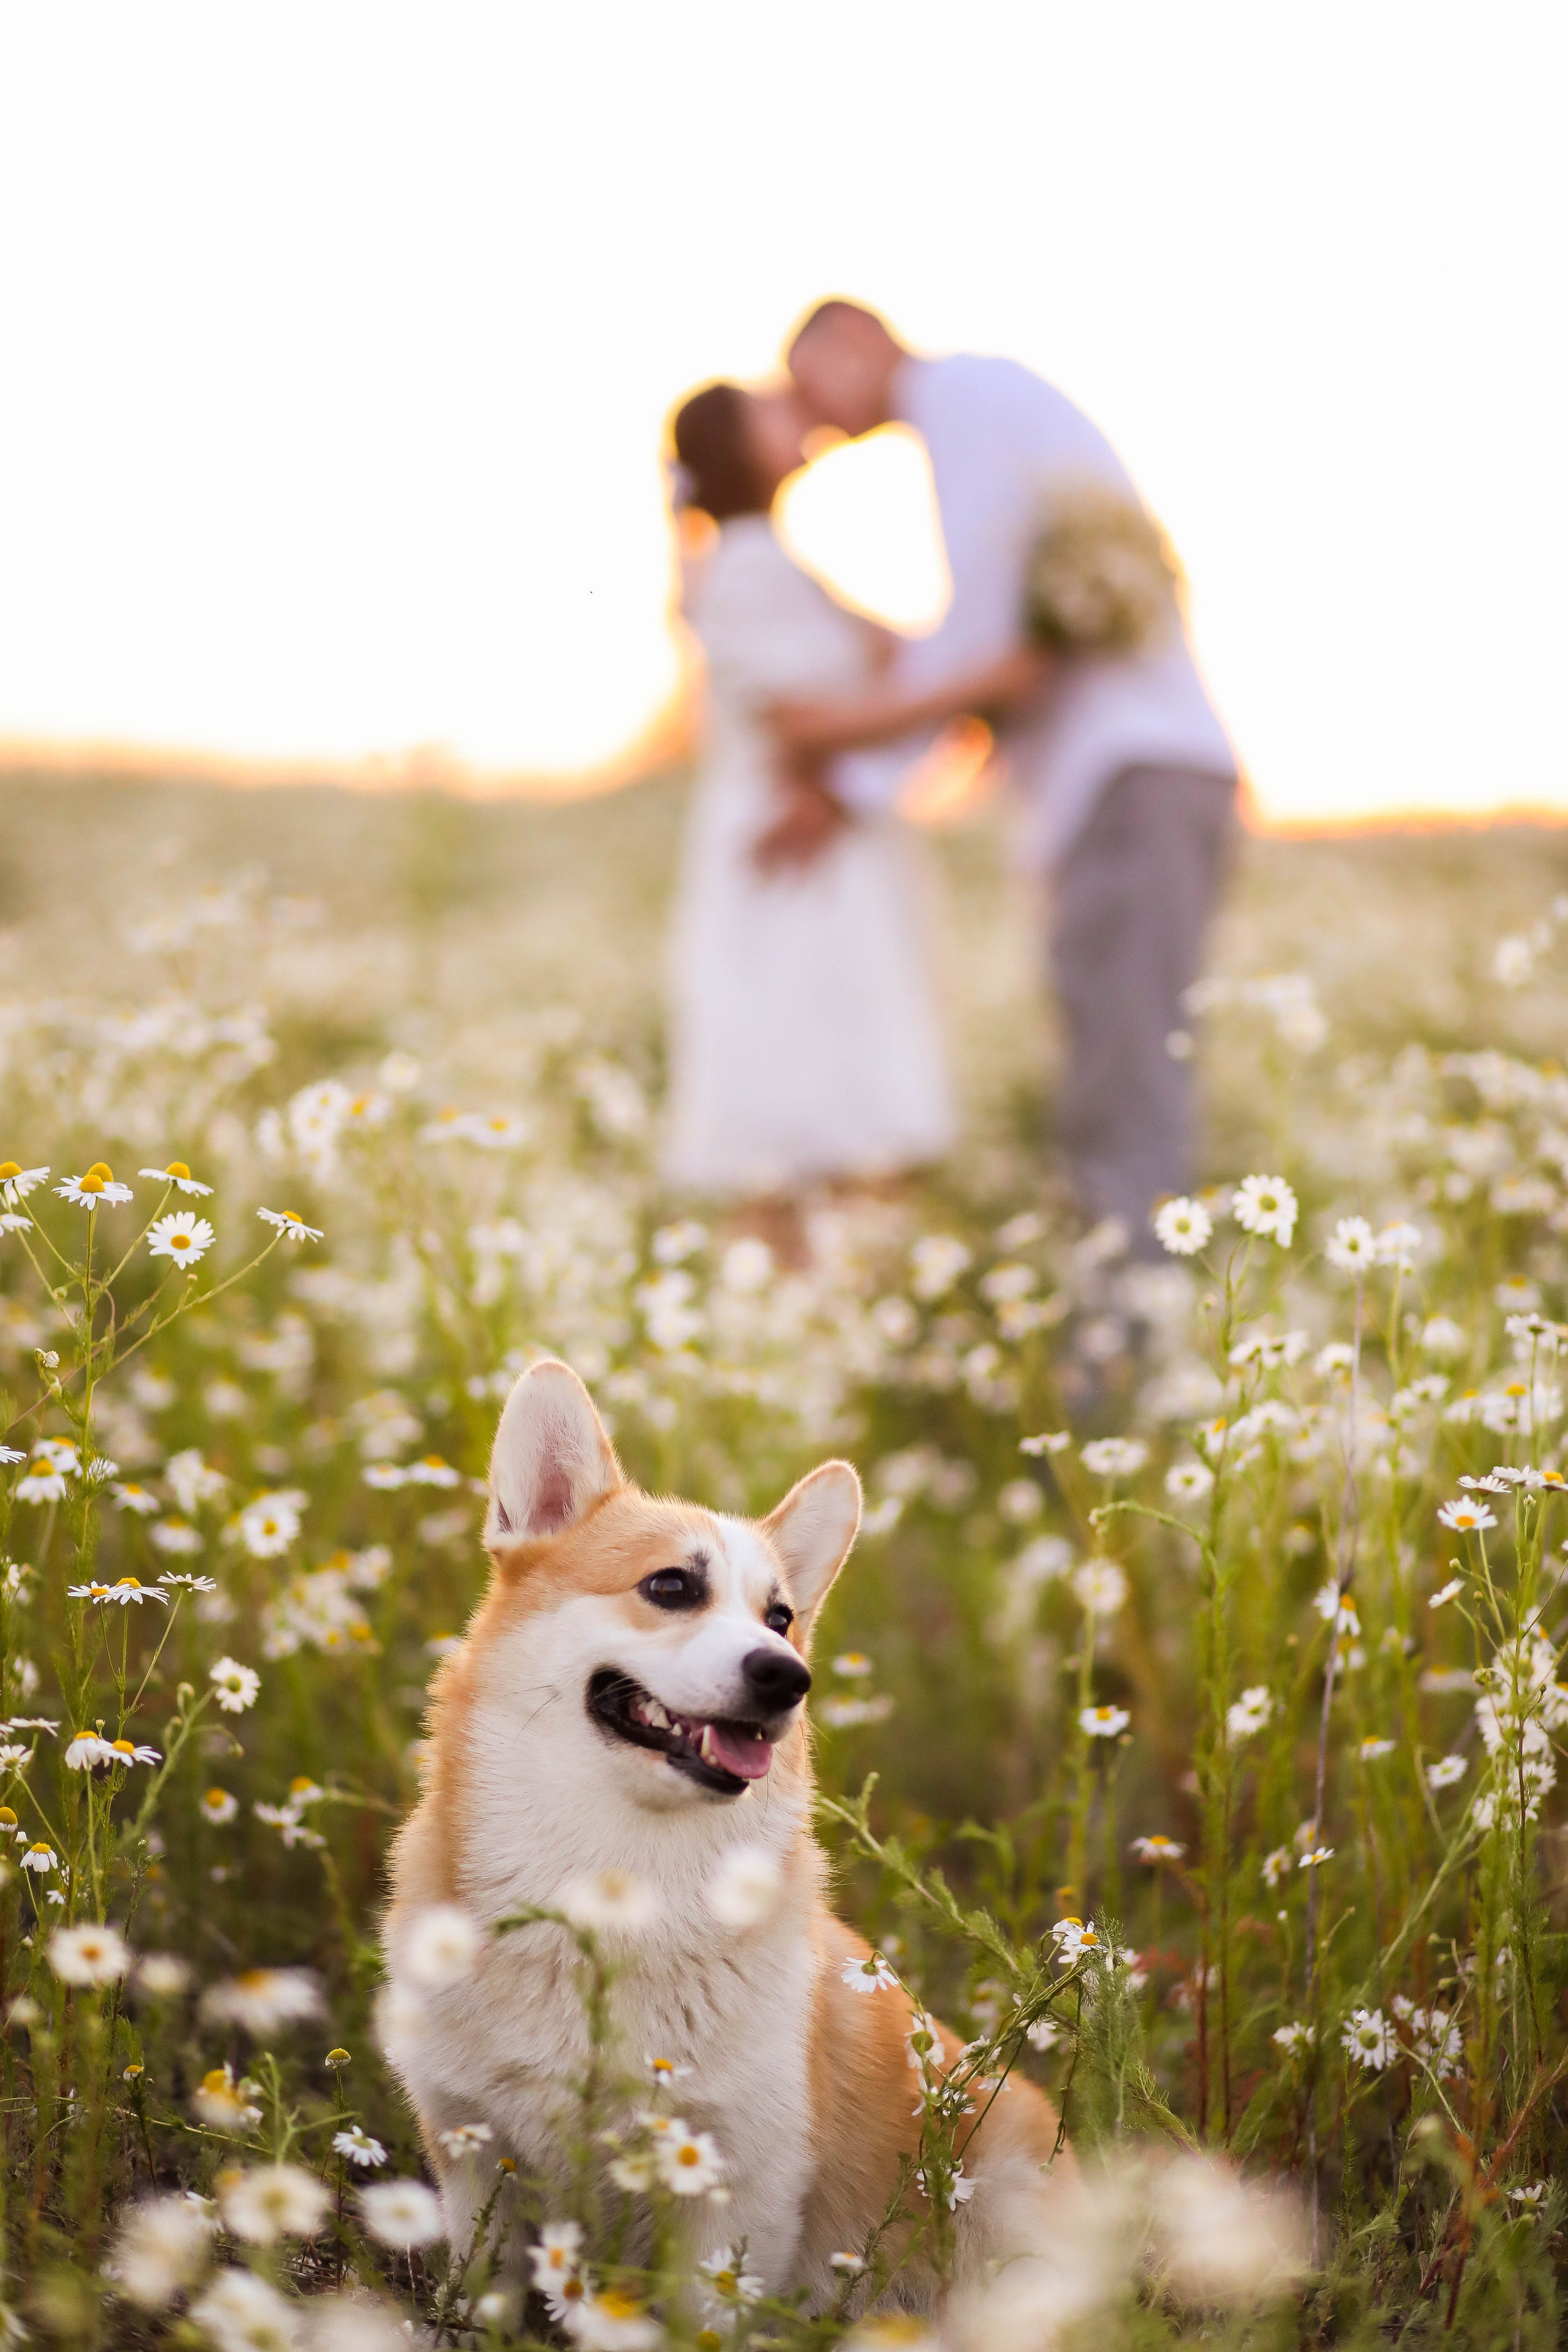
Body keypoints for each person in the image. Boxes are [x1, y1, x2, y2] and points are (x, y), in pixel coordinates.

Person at [776, 301, 1239, 1259]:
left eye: (810, 382)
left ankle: (1129, 1369)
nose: (814, 422)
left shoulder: (966, 399)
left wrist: (846, 768)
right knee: (1116, 1087)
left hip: (1130, 783)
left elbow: (990, 654)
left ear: (854, 340)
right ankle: (1126, 1349)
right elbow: (991, 660)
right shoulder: (981, 406)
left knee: (1123, 1098)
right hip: (1130, 785)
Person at [661, 379, 1038, 1249]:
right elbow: (803, 720)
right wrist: (980, 685)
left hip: (829, 831)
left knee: (833, 1091)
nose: (790, 409)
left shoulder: (777, 561)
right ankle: (801, 1313)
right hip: (789, 854)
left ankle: (826, 1320)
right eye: (765, 408)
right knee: (805, 1093)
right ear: (738, 448)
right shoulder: (750, 563)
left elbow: (879, 673)